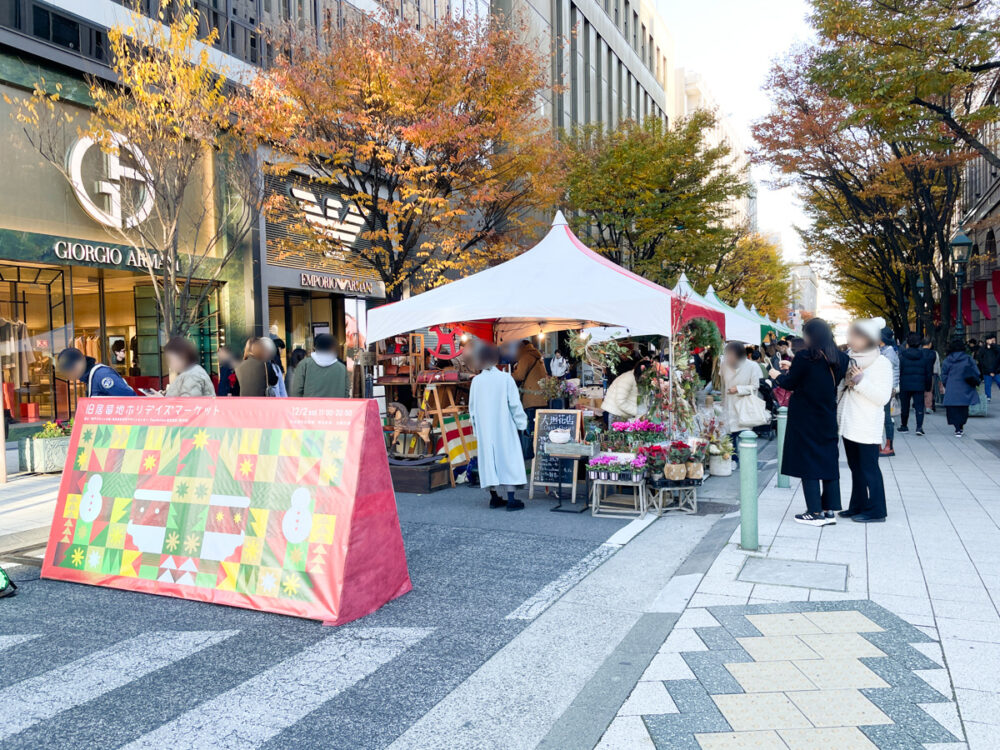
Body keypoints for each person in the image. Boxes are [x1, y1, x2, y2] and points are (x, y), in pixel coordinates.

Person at [769, 318, 848, 526]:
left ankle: (814, 512)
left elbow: (790, 383)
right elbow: (818, 379)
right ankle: (829, 509)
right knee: (828, 460)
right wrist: (793, 367)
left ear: (811, 336)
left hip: (805, 416)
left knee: (808, 461)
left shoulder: (806, 356)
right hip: (828, 415)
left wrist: (777, 374)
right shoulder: (841, 358)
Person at [838, 317, 893, 523]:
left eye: (855, 335)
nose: (850, 338)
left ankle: (877, 510)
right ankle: (858, 505)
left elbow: (882, 397)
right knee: (855, 467)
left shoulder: (881, 363)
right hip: (849, 421)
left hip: (867, 423)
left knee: (869, 468)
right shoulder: (851, 359)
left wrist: (860, 381)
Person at [469, 344, 529, 511]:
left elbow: (472, 409)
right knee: (508, 456)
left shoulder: (476, 381)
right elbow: (515, 405)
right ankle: (511, 498)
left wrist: (476, 429)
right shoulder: (505, 378)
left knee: (489, 460)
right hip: (504, 425)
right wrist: (522, 424)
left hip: (485, 428)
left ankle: (494, 497)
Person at [721, 342, 766, 456]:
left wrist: (738, 389)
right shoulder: (724, 365)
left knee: (745, 437)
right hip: (729, 405)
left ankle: (747, 461)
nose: (729, 357)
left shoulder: (752, 366)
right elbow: (722, 385)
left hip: (744, 407)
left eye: (731, 354)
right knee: (729, 437)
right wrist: (722, 402)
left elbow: (756, 386)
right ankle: (733, 460)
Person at [941, 337, 981, 437]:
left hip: (952, 387)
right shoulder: (968, 359)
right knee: (963, 408)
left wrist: (947, 384)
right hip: (965, 387)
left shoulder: (948, 360)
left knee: (953, 409)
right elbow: (976, 372)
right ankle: (961, 426)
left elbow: (944, 375)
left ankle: (957, 428)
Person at [56, 347, 136, 397]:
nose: (70, 372)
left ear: (82, 361)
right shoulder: (90, 377)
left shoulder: (101, 375)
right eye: (67, 370)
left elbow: (130, 399)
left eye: (72, 368)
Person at [513, 339, 547, 453]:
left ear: (521, 347)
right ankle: (539, 450)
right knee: (540, 428)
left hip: (531, 399)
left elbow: (519, 376)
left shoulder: (526, 357)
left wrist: (507, 375)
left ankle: (530, 451)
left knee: (531, 428)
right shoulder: (537, 356)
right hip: (542, 398)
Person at [897, 332, 933, 435]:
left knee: (905, 406)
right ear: (919, 344)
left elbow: (899, 371)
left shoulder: (902, 356)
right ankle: (919, 427)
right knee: (919, 406)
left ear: (907, 343)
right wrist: (928, 385)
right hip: (919, 384)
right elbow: (928, 373)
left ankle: (904, 426)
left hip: (905, 384)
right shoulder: (924, 357)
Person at [879, 328, 900, 457]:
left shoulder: (889, 352)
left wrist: (892, 388)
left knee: (886, 418)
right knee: (882, 417)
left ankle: (889, 446)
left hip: (886, 388)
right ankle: (881, 445)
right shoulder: (883, 350)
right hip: (882, 387)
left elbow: (887, 371)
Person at [976, 334, 1000, 402]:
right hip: (986, 370)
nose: (992, 341)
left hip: (996, 370)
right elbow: (980, 359)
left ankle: (988, 396)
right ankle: (988, 396)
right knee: (987, 384)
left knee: (999, 382)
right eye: (991, 339)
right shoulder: (983, 349)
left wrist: (993, 345)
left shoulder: (996, 348)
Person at [923, 338, 940, 413]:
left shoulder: (919, 352)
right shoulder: (933, 353)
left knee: (921, 391)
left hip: (920, 374)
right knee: (929, 391)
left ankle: (920, 406)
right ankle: (928, 406)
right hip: (931, 373)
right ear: (929, 344)